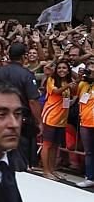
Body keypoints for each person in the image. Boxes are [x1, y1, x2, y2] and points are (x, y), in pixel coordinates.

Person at [0, 43, 43, 171]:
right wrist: (39, 122)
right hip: (19, 121)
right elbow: (33, 101)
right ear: (24, 56)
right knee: (18, 157)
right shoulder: (26, 75)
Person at [40, 60, 76, 180]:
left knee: (55, 145)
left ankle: (52, 169)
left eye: (64, 68)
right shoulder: (51, 79)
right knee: (47, 144)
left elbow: (74, 91)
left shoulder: (68, 81)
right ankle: (46, 171)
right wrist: (68, 85)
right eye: (59, 68)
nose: (61, 70)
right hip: (50, 116)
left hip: (61, 119)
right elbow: (56, 91)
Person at [76, 59, 94, 188]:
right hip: (85, 123)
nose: (90, 69)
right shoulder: (83, 84)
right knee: (89, 152)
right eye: (89, 67)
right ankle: (90, 177)